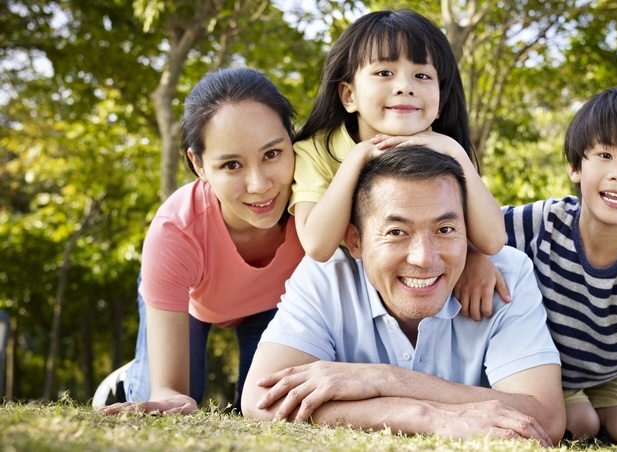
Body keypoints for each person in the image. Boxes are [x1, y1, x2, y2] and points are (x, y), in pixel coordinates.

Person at [241, 146, 565, 443]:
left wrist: (385, 380)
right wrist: (426, 417)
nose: (424, 258)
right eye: (397, 232)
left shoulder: (506, 276)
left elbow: (546, 417)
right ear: (355, 240)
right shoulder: (325, 278)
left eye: (445, 230)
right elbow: (261, 400)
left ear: (468, 234)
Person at [489, 86, 617, 449]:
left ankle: (605, 415)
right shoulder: (545, 220)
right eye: (605, 154)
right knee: (580, 423)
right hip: (548, 364)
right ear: (576, 166)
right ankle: (581, 417)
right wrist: (480, 256)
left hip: (613, 367)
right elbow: (479, 228)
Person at [93, 67, 305, 415]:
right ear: (199, 164)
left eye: (272, 154)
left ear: (292, 136)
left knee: (268, 405)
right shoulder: (176, 230)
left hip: (274, 305)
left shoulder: (316, 205)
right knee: (173, 398)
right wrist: (168, 392)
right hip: (192, 304)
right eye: (232, 165)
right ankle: (129, 378)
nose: (260, 185)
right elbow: (170, 391)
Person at [290, 9, 505, 283]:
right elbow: (317, 246)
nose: (405, 86)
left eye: (422, 76)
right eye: (384, 72)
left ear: (440, 103)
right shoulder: (316, 151)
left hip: (420, 277)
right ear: (349, 95)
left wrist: (455, 152)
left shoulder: (445, 151)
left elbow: (493, 241)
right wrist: (359, 156)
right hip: (344, 285)